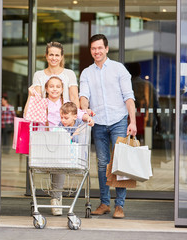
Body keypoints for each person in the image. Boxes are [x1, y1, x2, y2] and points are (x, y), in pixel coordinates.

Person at [79, 34, 137, 219]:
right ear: (91, 50)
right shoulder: (87, 73)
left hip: (119, 120)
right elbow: (83, 96)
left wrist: (132, 121)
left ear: (106, 48)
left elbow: (129, 97)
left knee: (120, 163)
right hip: (98, 123)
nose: (96, 51)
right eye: (93, 48)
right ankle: (104, 203)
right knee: (103, 164)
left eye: (99, 48)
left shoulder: (119, 69)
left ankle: (119, 206)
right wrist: (85, 109)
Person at [25, 76, 91, 216]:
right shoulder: (42, 102)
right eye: (51, 86)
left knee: (59, 167)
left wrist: (87, 118)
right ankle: (53, 197)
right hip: (46, 140)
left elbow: (78, 113)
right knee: (46, 165)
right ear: (47, 89)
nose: (54, 89)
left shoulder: (66, 103)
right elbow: (29, 116)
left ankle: (56, 199)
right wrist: (32, 98)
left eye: (57, 86)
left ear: (62, 90)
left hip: (61, 141)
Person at [31, 41, 80, 108]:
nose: (54, 58)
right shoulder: (38, 75)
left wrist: (74, 117)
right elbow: (37, 100)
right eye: (51, 55)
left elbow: (74, 99)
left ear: (61, 57)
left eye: (57, 55)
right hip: (45, 115)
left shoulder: (69, 74)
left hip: (66, 116)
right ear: (46, 56)